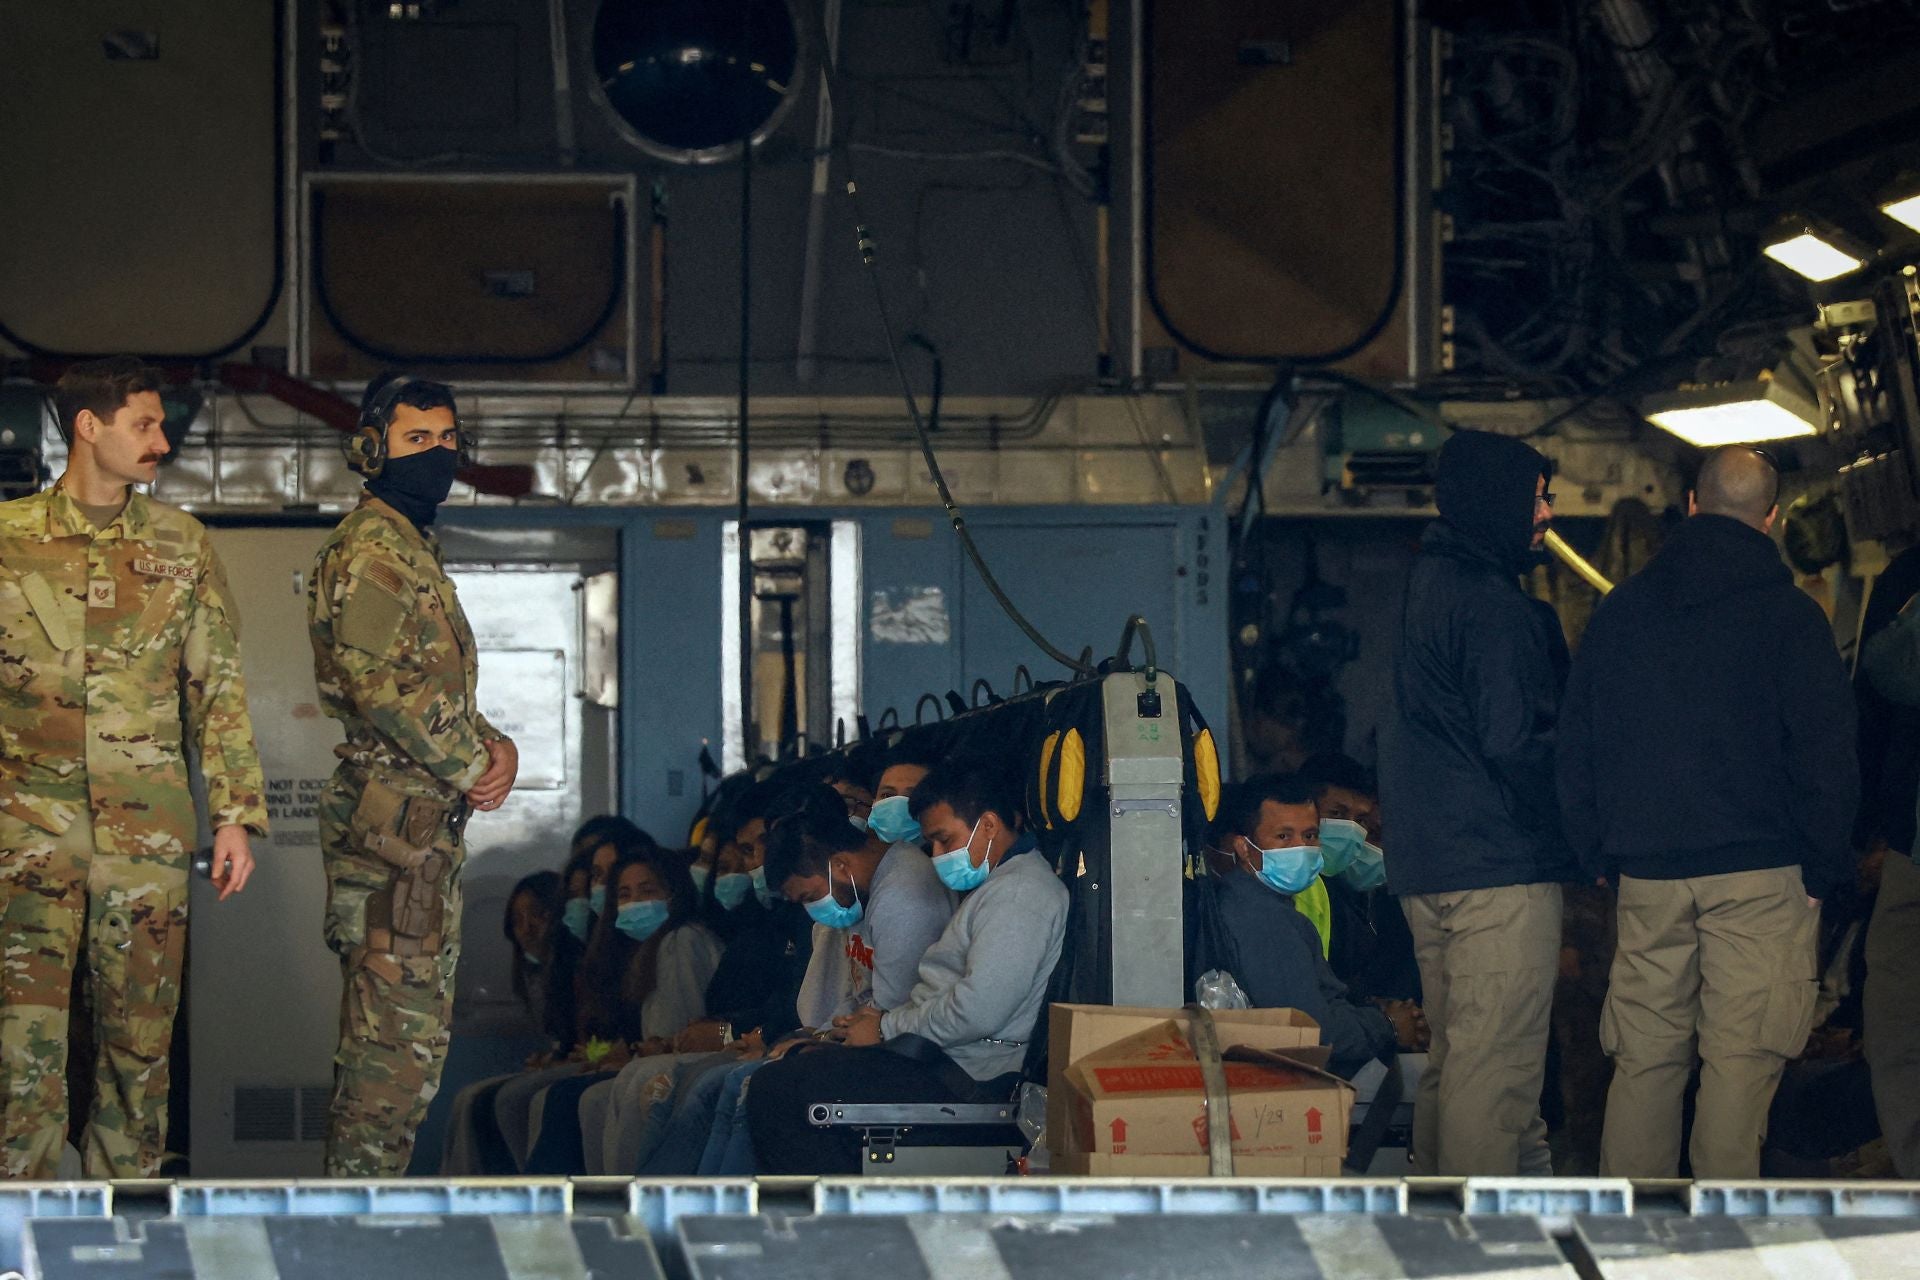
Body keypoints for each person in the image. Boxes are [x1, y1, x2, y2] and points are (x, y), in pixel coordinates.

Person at [0, 357, 269, 1178]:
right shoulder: (8, 537)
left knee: (140, 1038)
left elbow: (216, 686)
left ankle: (127, 1218)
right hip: (25, 831)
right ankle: (21, 1222)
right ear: (90, 426)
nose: (161, 441)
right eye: (144, 424)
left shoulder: (181, 544)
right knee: (22, 1043)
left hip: (145, 833)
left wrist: (235, 815)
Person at [1558, 446, 1856, 1179]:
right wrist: (1824, 868)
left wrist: (1596, 853)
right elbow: (1826, 754)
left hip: (1649, 876)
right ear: (1772, 518)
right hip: (1763, 874)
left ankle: (1632, 1232)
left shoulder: (1623, 612)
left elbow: (1578, 743)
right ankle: (1719, 1236)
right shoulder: (1793, 618)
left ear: (1691, 504)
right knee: (1740, 1062)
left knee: (1644, 1061)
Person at [307, 372, 520, 1176]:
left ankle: (368, 1214)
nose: (438, 453)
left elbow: (433, 689)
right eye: (416, 439)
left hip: (420, 826)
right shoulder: (372, 551)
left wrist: (496, 747)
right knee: (389, 1054)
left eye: (448, 438)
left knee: (411, 1047)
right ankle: (354, 1225)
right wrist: (472, 763)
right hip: (392, 829)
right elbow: (376, 686)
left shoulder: (410, 548)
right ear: (372, 450)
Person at [1378, 427, 1574, 1177]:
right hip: (1496, 868)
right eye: (1537, 497)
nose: (1547, 514)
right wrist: (1574, 829)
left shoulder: (1426, 586)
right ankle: (1474, 1234)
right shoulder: (1492, 604)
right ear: (1497, 502)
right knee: (1493, 1079)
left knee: (1458, 1064)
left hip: (1430, 866)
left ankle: (1440, 1224)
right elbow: (1516, 742)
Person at [744, 758, 1069, 1174]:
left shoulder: (1021, 895)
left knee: (780, 1090)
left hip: (970, 1076)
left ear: (988, 825)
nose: (936, 855)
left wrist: (885, 1028)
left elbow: (977, 1011)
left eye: (944, 840)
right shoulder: (998, 887)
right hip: (940, 1057)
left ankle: (826, 1212)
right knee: (784, 1077)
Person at [1207, 776, 1404, 1077]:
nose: (1301, 848)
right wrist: (1388, 1025)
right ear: (1244, 849)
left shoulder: (1268, 906)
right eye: (1284, 837)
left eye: (1310, 836)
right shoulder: (1263, 921)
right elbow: (1312, 1032)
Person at [1847, 539, 1920, 1173]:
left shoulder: (1910, 575)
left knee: (1897, 1022)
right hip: (1908, 837)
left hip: (1909, 840)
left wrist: (1864, 825)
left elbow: (1884, 670)